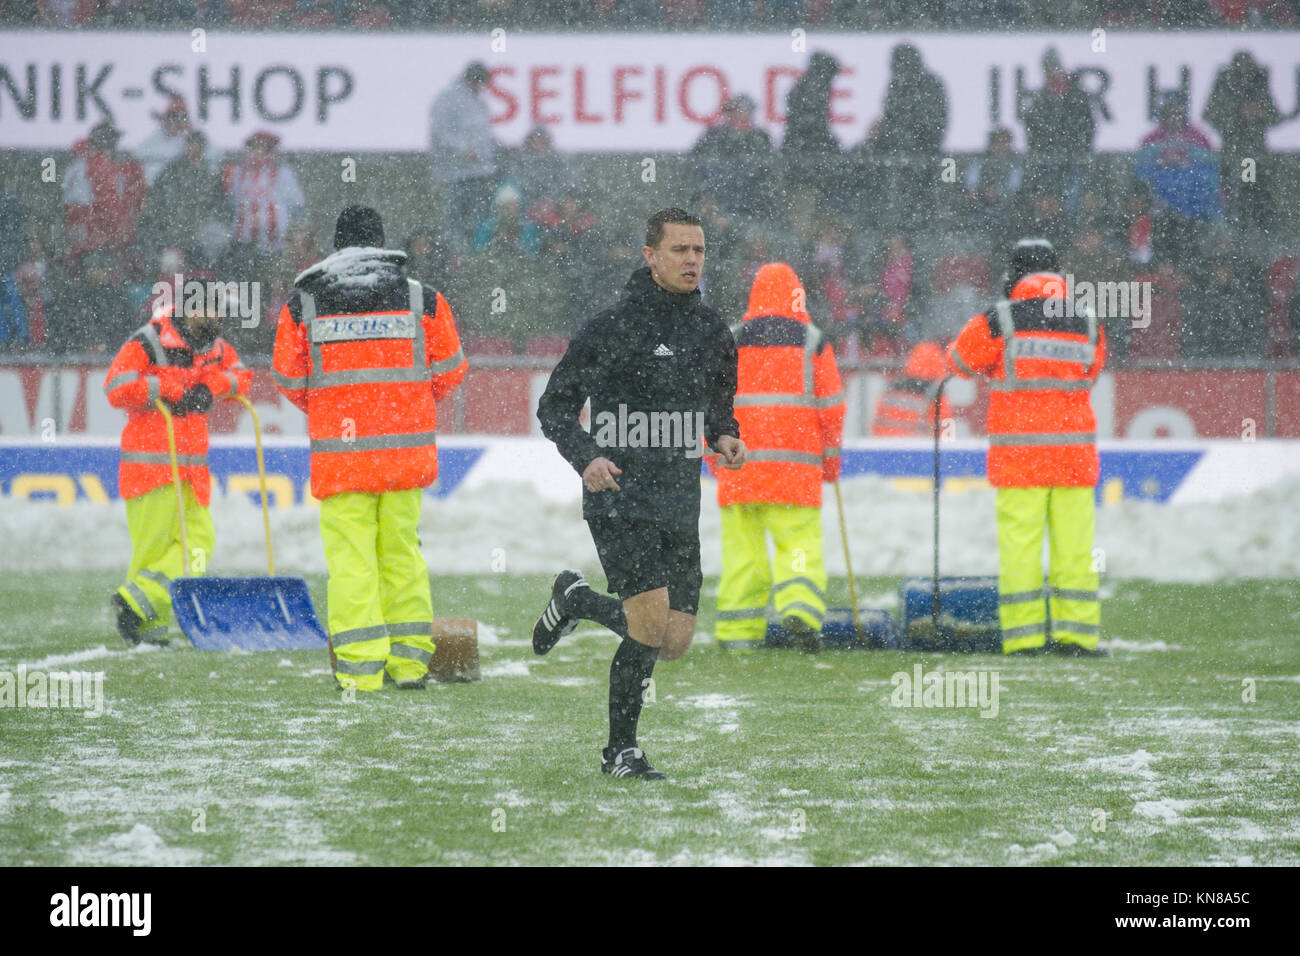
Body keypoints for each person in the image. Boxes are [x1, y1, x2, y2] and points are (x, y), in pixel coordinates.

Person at [532, 208, 744, 779]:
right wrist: (587, 458)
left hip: (679, 500)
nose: (692, 260)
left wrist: (725, 435)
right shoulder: (609, 328)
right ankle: (620, 751)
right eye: (679, 250)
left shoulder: (713, 332)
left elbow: (719, 403)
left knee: (674, 640)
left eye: (698, 250)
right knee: (648, 625)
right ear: (649, 256)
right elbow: (552, 409)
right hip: (620, 498)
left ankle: (576, 600)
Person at [273, 206, 467, 692]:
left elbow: (290, 378)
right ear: (383, 243)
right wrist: (407, 403)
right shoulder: (423, 299)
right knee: (402, 555)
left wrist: (335, 405)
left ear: (336, 247)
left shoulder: (305, 304)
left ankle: (360, 672)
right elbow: (450, 370)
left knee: (352, 561)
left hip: (342, 460)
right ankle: (409, 667)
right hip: (406, 456)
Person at [946, 238, 1107, 657]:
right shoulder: (1087, 322)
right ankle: (1077, 637)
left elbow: (959, 363)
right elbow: (1091, 372)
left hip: (1020, 461)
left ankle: (1025, 639)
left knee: (1021, 550)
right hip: (1073, 459)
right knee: (1075, 551)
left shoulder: (999, 320)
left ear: (1012, 278)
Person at [105, 284, 252, 646]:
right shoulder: (149, 341)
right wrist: (167, 389)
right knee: (153, 551)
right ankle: (147, 629)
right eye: (210, 311)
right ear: (190, 310)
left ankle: (136, 604)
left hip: (191, 470)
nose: (217, 319)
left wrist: (211, 388)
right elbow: (116, 388)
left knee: (200, 542)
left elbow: (242, 377)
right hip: (152, 469)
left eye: (220, 312)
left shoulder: (214, 348)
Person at [713, 262, 843, 654]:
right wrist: (831, 462)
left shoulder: (729, 340)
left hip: (739, 470)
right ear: (797, 295)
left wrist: (711, 458)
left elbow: (708, 404)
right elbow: (831, 408)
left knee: (743, 558)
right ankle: (800, 608)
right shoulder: (813, 342)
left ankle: (738, 635)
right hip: (795, 471)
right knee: (798, 547)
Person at [429, 62, 500, 252]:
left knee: (478, 220)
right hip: (453, 174)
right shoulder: (447, 100)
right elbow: (440, 134)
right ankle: (453, 256)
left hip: (478, 173)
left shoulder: (479, 103)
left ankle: (474, 254)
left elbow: (483, 136)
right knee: (452, 221)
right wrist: (462, 150)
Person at [871, 341, 952, 437]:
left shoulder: (891, 388)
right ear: (940, 363)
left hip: (883, 446)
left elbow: (876, 421)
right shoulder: (936, 394)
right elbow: (944, 434)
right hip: (917, 449)